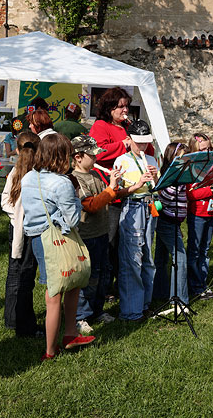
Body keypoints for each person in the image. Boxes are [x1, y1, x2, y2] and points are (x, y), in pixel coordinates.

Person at [21, 134, 95, 360]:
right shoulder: (62, 183)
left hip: (36, 239)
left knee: (68, 284)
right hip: (57, 239)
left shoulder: (28, 178)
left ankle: (69, 335)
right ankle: (51, 350)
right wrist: (74, 195)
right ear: (62, 155)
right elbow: (72, 220)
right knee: (56, 294)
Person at [89, 87, 154, 296]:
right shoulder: (100, 126)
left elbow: (146, 149)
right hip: (113, 193)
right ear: (109, 108)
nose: (125, 110)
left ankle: (122, 283)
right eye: (121, 106)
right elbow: (97, 153)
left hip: (135, 193)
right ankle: (105, 287)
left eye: (127, 105)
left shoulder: (129, 125)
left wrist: (142, 141)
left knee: (127, 245)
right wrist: (123, 144)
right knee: (110, 242)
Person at [71, 135, 122, 333]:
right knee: (87, 277)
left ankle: (97, 310)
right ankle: (81, 316)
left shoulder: (94, 175)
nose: (95, 159)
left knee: (103, 274)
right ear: (78, 157)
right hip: (87, 236)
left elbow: (110, 195)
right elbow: (91, 205)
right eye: (92, 155)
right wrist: (111, 187)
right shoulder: (75, 179)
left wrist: (131, 186)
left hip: (101, 233)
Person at [114, 119, 159, 321]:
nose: (142, 146)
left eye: (145, 142)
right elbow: (118, 192)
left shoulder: (151, 158)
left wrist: (156, 179)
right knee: (132, 258)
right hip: (132, 207)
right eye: (138, 142)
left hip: (150, 207)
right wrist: (138, 183)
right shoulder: (122, 161)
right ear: (129, 140)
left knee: (148, 258)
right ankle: (131, 311)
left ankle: (144, 304)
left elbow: (157, 189)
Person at [1, 132, 43, 336]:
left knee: (15, 274)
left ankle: (12, 318)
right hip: (28, 230)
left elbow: (5, 202)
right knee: (24, 277)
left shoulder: (16, 172)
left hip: (19, 229)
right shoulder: (34, 174)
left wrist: (15, 216)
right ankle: (22, 323)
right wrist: (20, 217)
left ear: (17, 149)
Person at [153, 142, 189, 307]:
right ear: (172, 158)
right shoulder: (175, 176)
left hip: (170, 220)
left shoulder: (177, 175)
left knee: (161, 258)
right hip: (167, 220)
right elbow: (165, 199)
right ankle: (179, 300)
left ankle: (159, 292)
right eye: (181, 157)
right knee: (180, 259)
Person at [186, 132, 213, 300]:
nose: (208, 152)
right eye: (204, 149)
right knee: (195, 251)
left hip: (210, 212)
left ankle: (202, 282)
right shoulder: (191, 168)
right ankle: (194, 286)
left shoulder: (212, 165)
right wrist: (210, 189)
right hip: (197, 213)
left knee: (204, 250)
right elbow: (190, 194)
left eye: (210, 148)